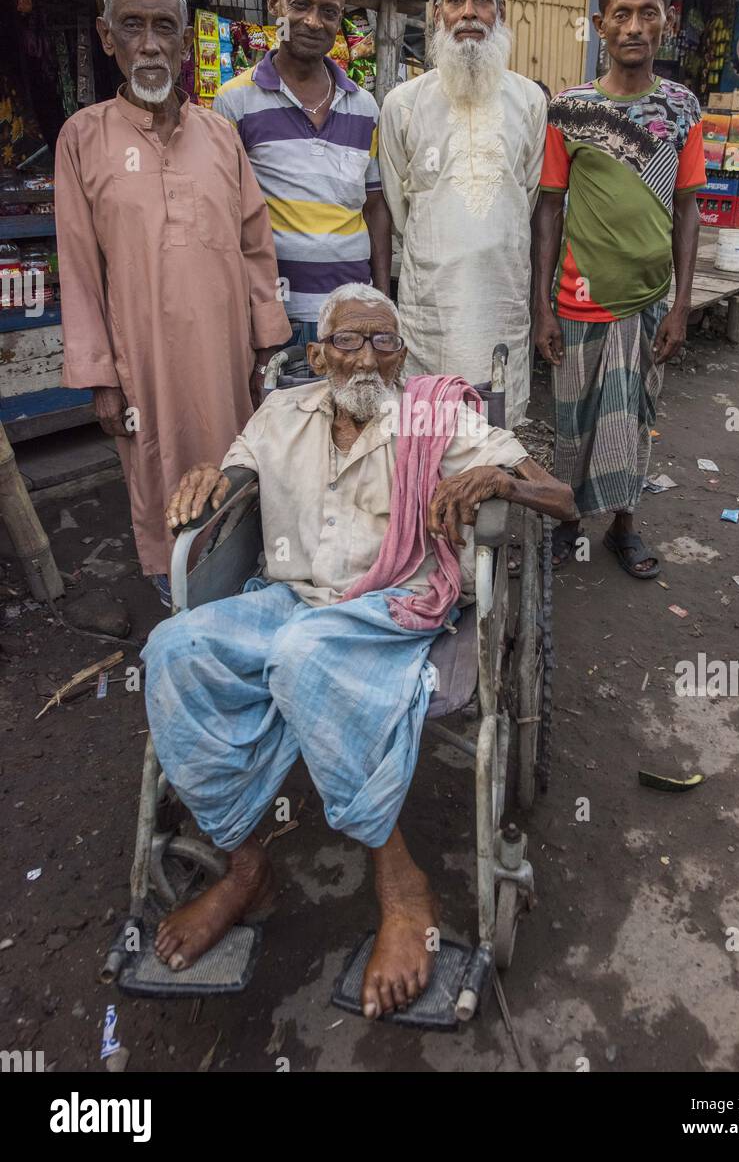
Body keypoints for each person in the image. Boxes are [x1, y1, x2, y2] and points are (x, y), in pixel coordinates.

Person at [142, 285, 576, 1018]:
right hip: (293, 600)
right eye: (348, 341)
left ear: (402, 354)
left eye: (383, 342)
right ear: (316, 354)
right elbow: (235, 483)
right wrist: (207, 479)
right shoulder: (280, 413)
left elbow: (561, 498)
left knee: (306, 655)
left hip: (393, 609)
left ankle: (402, 885)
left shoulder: (437, 417)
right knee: (174, 647)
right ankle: (247, 869)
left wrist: (501, 479)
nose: (366, 357)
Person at [55, 0, 290, 606]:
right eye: (132, 26)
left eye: (165, 27)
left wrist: (267, 340)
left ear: (186, 42)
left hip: (227, 359)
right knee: (159, 479)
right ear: (107, 38)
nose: (150, 44)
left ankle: (238, 591)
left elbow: (253, 243)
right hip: (145, 367)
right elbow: (76, 266)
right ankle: (177, 598)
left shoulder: (219, 136)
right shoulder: (83, 139)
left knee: (237, 471)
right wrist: (101, 376)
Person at [533, 0, 704, 574]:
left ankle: (624, 527)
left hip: (649, 299)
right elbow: (548, 210)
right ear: (600, 25)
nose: (634, 26)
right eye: (621, 14)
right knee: (572, 419)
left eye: (647, 13)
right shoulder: (570, 108)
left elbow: (688, 210)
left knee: (637, 415)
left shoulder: (683, 108)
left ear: (666, 21)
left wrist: (681, 305)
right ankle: (567, 522)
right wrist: (541, 307)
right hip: (580, 299)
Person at [378, 0, 548, 426]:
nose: (469, 12)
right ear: (438, 14)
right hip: (430, 307)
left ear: (501, 11)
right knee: (426, 435)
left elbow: (527, 198)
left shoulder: (530, 101)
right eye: (456, 0)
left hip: (503, 302)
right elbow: (398, 206)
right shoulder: (403, 104)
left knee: (494, 436)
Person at [213, 0, 391, 349]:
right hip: (276, 320)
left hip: (353, 315)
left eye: (329, 11)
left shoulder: (364, 108)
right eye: (300, 4)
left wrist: (380, 301)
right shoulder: (234, 103)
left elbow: (375, 206)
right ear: (274, 2)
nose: (313, 21)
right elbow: (227, 221)